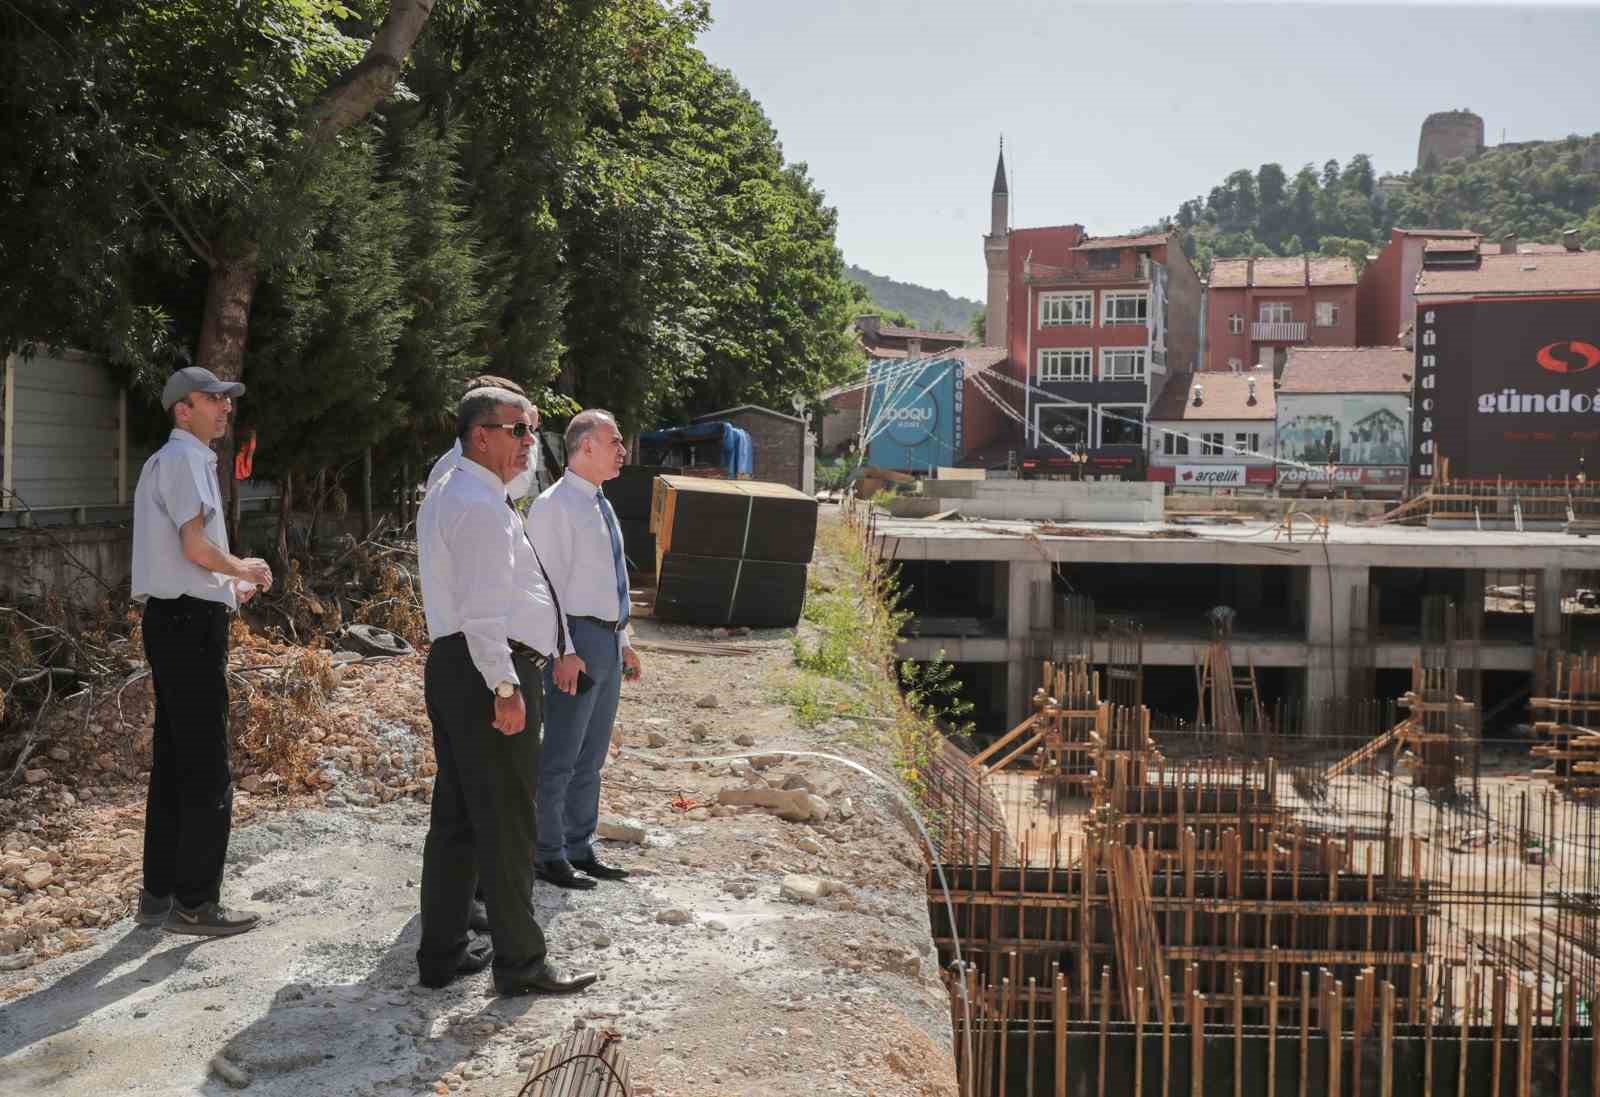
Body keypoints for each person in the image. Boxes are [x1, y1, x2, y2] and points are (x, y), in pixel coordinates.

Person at [415, 386, 596, 995]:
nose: (528, 442)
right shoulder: (478, 504)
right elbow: (484, 614)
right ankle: (520, 964)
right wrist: (505, 685)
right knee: (508, 822)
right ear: (480, 436)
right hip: (485, 670)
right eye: (517, 430)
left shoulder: (463, 491)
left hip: (459, 666)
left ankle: (440, 955)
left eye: (531, 430)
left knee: (459, 819)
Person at [131, 367, 274, 936]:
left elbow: (182, 557)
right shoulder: (187, 459)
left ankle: (160, 894)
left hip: (173, 619)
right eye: (210, 399)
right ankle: (196, 903)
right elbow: (195, 547)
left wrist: (227, 585)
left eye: (226, 399)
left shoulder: (169, 461)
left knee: (173, 761)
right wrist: (241, 567)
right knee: (207, 765)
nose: (223, 407)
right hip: (189, 627)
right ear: (181, 410)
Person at [527, 409, 642, 890]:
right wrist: (563, 650)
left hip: (606, 638)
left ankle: (579, 844)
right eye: (614, 440)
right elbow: (546, 586)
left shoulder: (600, 502)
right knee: (560, 752)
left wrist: (625, 641)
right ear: (586, 446)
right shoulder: (555, 506)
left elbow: (610, 579)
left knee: (591, 753)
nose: (623, 450)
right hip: (575, 638)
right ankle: (546, 851)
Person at [425, 375, 539, 501]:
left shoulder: (453, 466)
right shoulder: (471, 490)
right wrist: (530, 427)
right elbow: (518, 486)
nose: (530, 440)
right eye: (518, 427)